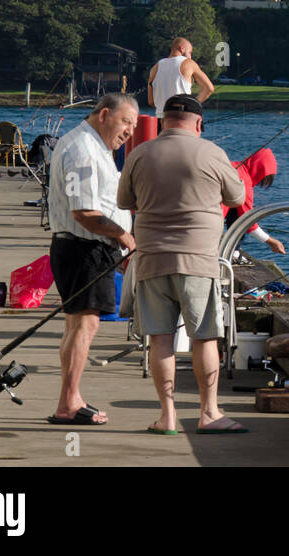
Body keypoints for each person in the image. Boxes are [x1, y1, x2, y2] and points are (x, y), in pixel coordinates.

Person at [117, 94, 246, 435]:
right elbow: (236, 197)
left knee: (160, 340)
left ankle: (167, 416)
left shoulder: (140, 153)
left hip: (151, 258)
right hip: (198, 261)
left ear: (163, 122)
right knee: (205, 338)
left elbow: (124, 201)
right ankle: (209, 413)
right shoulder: (213, 153)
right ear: (199, 124)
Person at [45, 92, 139, 426]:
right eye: (125, 121)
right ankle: (68, 404)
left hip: (84, 248)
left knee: (80, 324)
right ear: (103, 115)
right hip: (84, 248)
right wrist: (124, 236)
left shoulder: (93, 146)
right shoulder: (83, 150)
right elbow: (84, 212)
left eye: (134, 125)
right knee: (84, 324)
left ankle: (69, 399)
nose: (129, 130)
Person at [223, 148, 286, 261]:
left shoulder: (233, 166)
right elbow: (248, 221)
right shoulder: (244, 182)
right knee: (240, 218)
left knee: (235, 212)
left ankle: (234, 251)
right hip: (207, 220)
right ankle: (233, 253)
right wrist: (270, 241)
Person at [148, 37, 214, 119]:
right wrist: (190, 106)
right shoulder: (189, 63)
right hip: (181, 119)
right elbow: (209, 88)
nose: (190, 56)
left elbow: (151, 101)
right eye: (190, 52)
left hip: (161, 121)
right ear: (182, 48)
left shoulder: (155, 68)